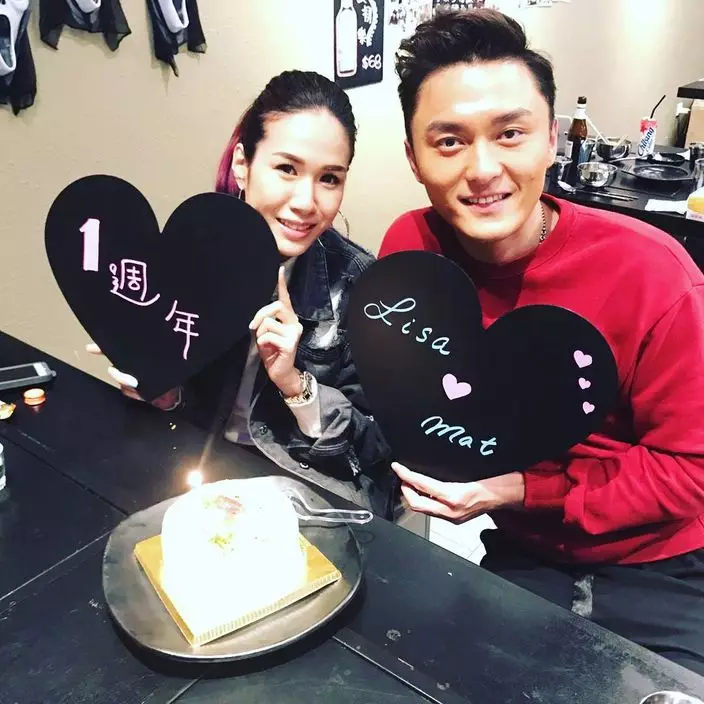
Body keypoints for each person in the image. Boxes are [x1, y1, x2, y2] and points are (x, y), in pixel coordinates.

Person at [379, 9, 704, 675]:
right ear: (412, 158)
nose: (483, 169)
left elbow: (692, 471)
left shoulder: (654, 275)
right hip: (525, 555)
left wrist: (519, 490)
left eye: (510, 133)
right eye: (449, 141)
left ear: (552, 138)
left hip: (662, 565)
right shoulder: (411, 252)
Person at [90, 70, 394, 516]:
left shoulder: (360, 286)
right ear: (242, 164)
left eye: (329, 178)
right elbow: (184, 402)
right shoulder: (193, 254)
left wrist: (296, 384)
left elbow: (378, 451)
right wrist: (160, 389)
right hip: (198, 469)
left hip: (307, 492)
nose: (306, 202)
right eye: (287, 169)